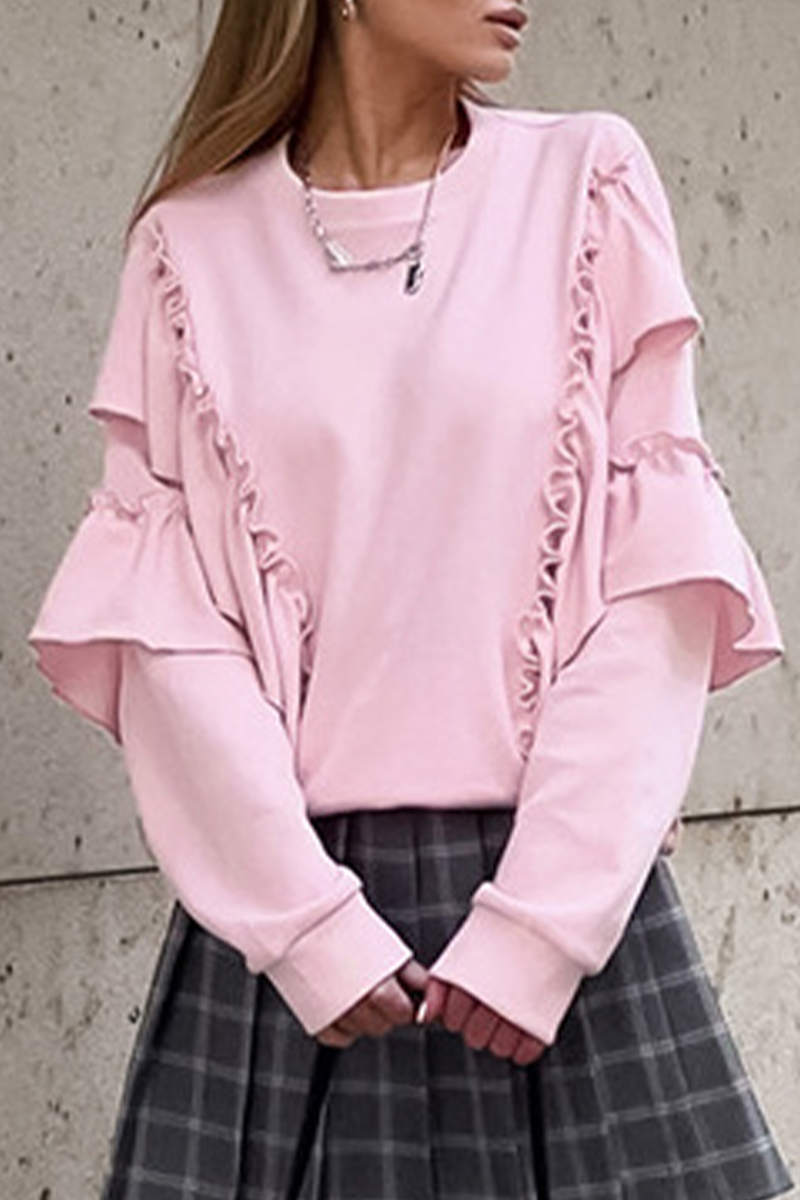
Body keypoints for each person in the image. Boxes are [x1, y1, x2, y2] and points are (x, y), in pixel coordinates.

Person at [29, 0, 794, 1197]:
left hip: (562, 910)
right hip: (296, 941)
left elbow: (653, 589)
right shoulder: (187, 247)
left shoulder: (585, 183)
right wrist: (302, 924)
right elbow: (169, 633)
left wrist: (543, 920)